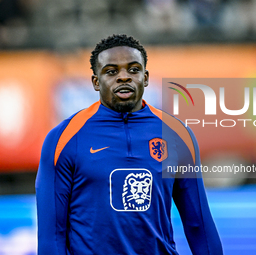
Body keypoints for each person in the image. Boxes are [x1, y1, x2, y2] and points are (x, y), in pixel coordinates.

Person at [35, 34, 223, 255]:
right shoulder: (64, 138)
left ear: (145, 77)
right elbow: (51, 235)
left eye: (133, 70)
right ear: (96, 81)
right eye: (111, 71)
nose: (124, 77)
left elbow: (198, 224)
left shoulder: (178, 134)